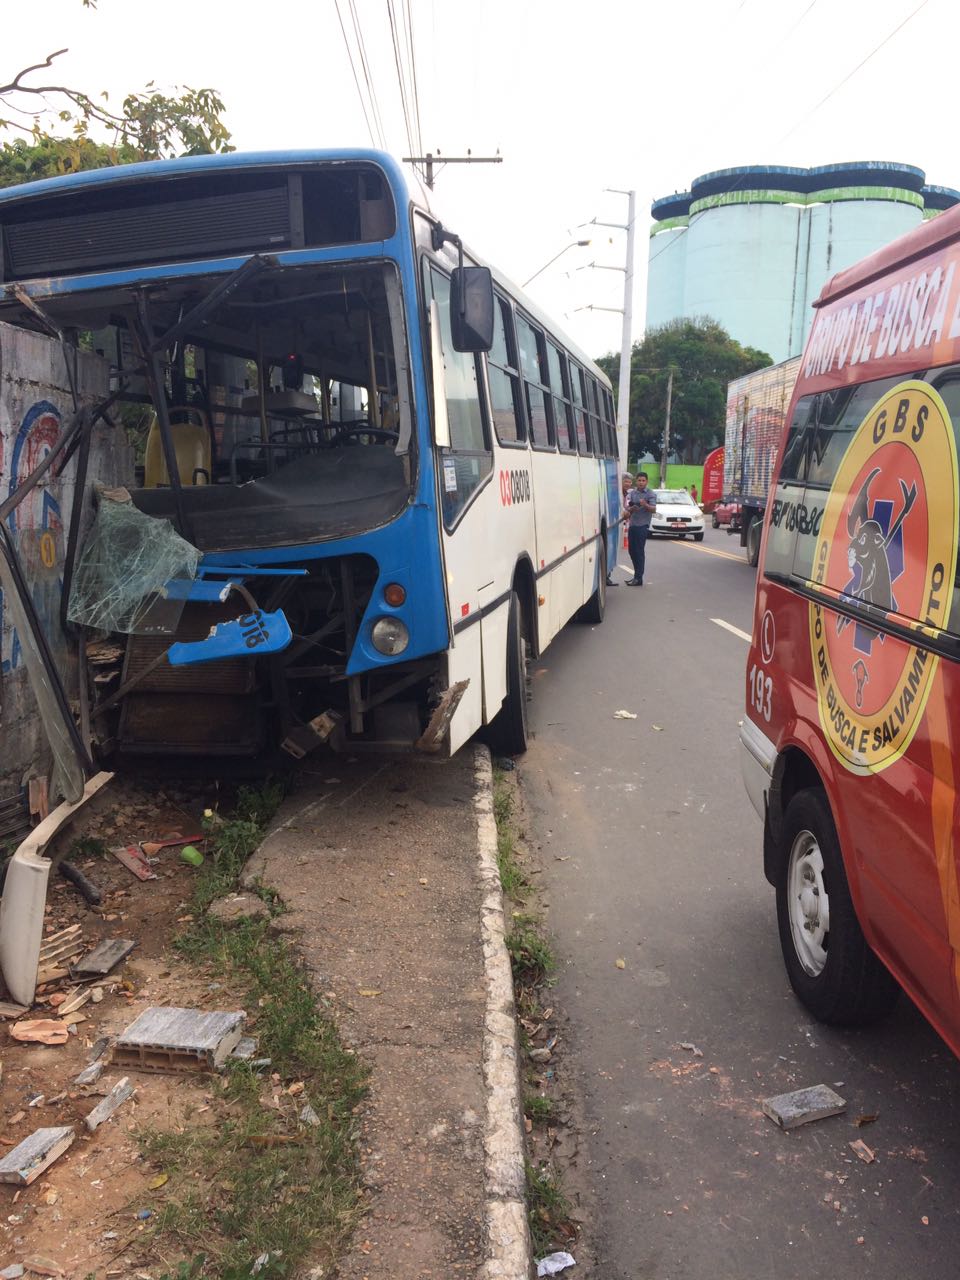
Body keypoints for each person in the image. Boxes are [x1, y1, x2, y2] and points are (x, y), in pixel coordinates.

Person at [625, 472, 656, 585]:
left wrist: (645, 504)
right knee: (631, 551)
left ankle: (638, 578)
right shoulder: (632, 493)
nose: (641, 482)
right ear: (636, 481)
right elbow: (627, 506)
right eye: (639, 480)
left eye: (643, 480)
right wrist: (631, 508)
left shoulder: (650, 494)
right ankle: (636, 576)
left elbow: (653, 509)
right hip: (633, 524)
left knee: (639, 551)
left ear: (646, 482)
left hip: (643, 525)